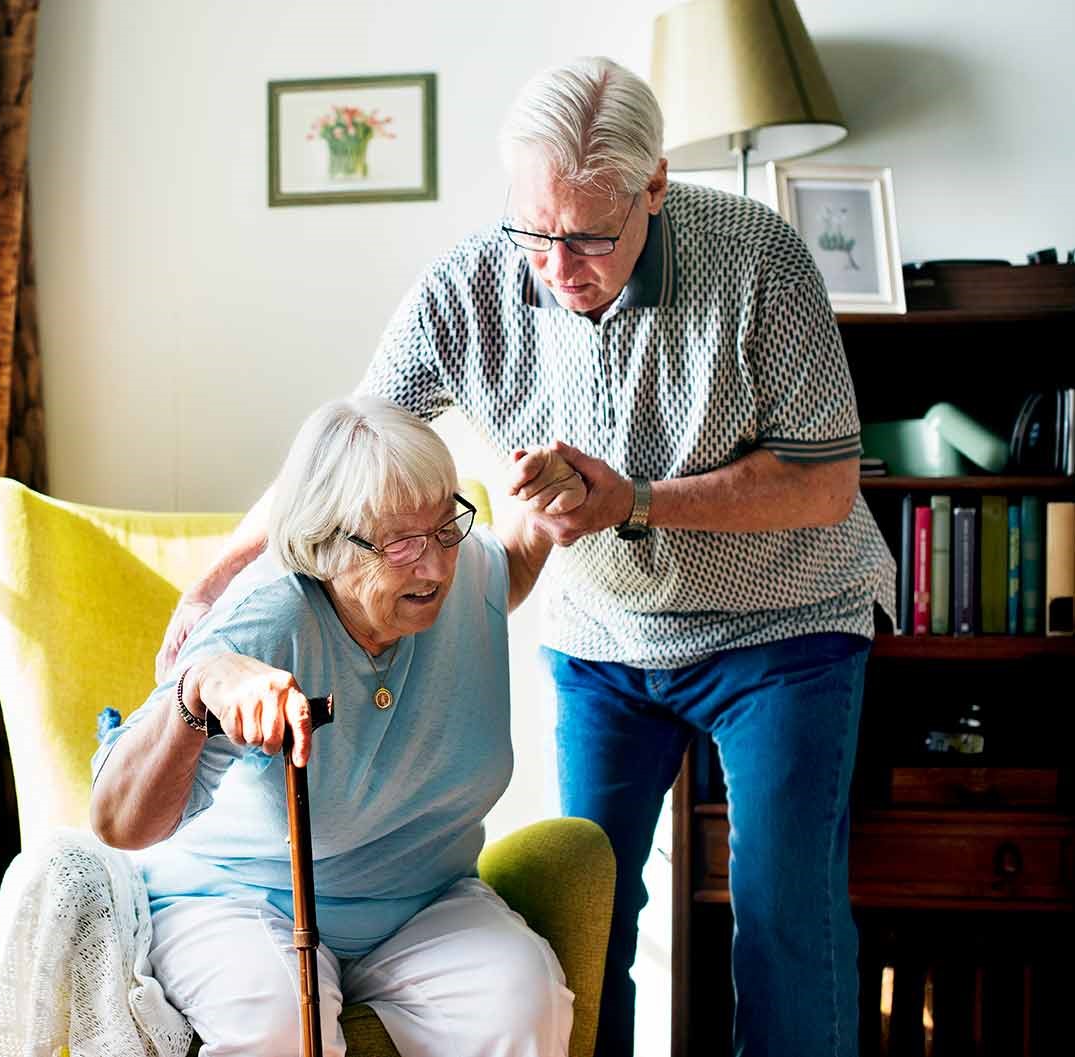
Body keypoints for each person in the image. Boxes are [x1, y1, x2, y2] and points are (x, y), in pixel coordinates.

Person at [155, 57, 896, 1057]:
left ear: (655, 188)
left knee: (779, 910)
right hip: (603, 634)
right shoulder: (469, 285)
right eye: (535, 230)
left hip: (783, 622)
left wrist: (633, 497)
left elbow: (823, 481)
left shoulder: (757, 258)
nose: (556, 265)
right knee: (587, 912)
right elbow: (341, 454)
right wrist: (212, 579)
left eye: (590, 236)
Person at [93, 396, 584, 1057]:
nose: (435, 566)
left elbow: (505, 573)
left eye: (445, 527)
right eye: (401, 544)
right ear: (323, 545)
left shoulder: (461, 569)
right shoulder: (266, 622)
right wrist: (198, 688)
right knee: (278, 1032)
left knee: (522, 1006)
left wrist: (545, 508)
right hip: (242, 896)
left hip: (422, 898)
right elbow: (119, 822)